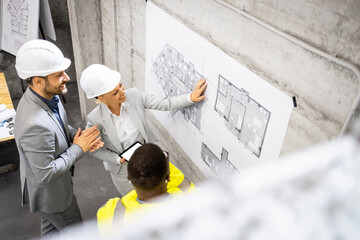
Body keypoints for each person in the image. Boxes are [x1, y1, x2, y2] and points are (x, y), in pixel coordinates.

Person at [14, 39, 103, 236]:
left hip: (56, 192)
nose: (66, 77)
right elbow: (45, 173)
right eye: (59, 74)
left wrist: (77, 136)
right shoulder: (33, 124)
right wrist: (79, 148)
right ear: (38, 80)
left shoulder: (48, 95)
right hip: (53, 198)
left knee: (51, 231)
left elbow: (59, 127)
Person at [80, 64, 206, 196]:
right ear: (101, 98)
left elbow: (165, 103)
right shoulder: (95, 120)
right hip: (123, 172)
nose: (123, 92)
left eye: (121, 86)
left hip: (148, 161)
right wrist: (117, 159)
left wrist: (190, 98)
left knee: (157, 199)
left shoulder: (134, 96)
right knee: (136, 206)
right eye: (115, 92)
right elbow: (93, 150)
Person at [97, 143, 195, 235]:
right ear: (168, 177)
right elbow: (179, 180)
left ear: (128, 177)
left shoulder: (111, 213)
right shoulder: (192, 203)